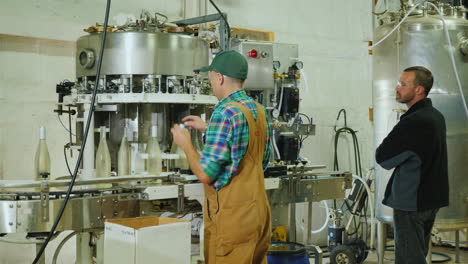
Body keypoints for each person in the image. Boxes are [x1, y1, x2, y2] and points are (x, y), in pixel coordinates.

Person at [171, 50, 272, 264]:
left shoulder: (223, 112)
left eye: (211, 79)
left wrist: (186, 144)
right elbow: (261, 160)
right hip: (258, 214)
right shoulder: (259, 110)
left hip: (232, 219)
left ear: (220, 78)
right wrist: (208, 129)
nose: (211, 84)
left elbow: (205, 174)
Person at [376, 66, 449, 264]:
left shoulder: (414, 121)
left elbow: (382, 157)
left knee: (409, 259)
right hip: (431, 200)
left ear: (419, 90)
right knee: (417, 254)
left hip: (411, 202)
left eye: (403, 84)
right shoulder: (436, 116)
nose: (397, 88)